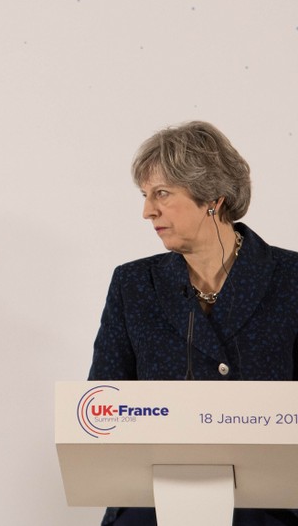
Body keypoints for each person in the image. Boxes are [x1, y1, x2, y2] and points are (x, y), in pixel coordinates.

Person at [88, 121, 298, 526]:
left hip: (267, 503)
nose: (148, 210)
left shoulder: (290, 278)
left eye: (162, 193)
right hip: (154, 503)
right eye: (146, 195)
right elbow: (103, 411)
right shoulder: (133, 284)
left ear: (212, 199)